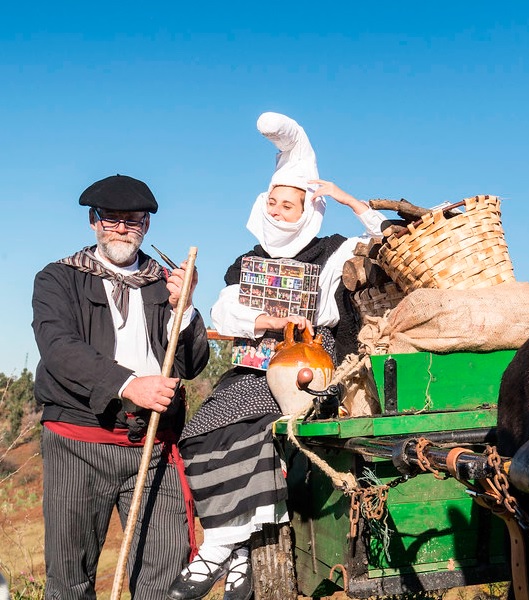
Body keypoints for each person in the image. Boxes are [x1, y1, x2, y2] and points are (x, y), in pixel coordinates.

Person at [166, 113, 385, 600]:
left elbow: (386, 247)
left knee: (262, 427)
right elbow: (226, 307)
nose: (280, 210)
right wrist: (262, 321)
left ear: (310, 208)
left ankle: (219, 546)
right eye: (274, 201)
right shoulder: (248, 260)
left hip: (313, 361)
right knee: (204, 426)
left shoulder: (333, 249)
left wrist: (353, 202)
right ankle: (238, 545)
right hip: (258, 359)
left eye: (290, 203)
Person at [32, 174, 211, 600]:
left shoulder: (163, 283)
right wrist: (129, 384)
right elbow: (59, 348)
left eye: (132, 220)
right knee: (70, 580)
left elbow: (190, 363)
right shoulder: (57, 279)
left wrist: (183, 310)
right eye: (110, 219)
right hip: (78, 441)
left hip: (154, 443)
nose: (121, 228)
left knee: (165, 575)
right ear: (93, 221)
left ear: (146, 225)